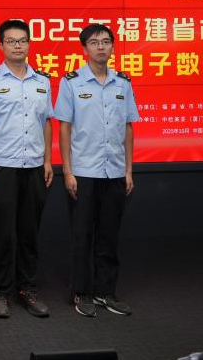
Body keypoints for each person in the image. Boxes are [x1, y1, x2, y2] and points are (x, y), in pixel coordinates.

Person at [0, 19, 54, 319]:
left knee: (29, 233)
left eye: (22, 40)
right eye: (11, 41)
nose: (18, 46)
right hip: (1, 165)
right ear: (1, 45)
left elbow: (47, 123)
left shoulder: (43, 80)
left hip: (34, 166)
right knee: (3, 234)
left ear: (29, 44)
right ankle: (0, 291)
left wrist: (47, 161)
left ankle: (27, 289)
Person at [54, 23, 139, 318]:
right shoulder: (71, 82)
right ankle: (81, 291)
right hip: (84, 171)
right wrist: (67, 171)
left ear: (113, 46)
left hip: (114, 170)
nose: (100, 47)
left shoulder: (123, 83)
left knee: (109, 234)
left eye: (105, 41)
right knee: (82, 235)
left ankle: (106, 291)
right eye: (94, 42)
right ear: (85, 48)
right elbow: (64, 128)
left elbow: (128, 127)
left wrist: (128, 170)